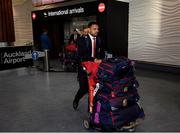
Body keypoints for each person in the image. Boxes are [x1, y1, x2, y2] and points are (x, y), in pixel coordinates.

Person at [73, 22, 105, 110]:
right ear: (89, 29)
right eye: (94, 29)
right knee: (84, 88)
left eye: (97, 29)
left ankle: (90, 110)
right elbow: (82, 54)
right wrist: (93, 59)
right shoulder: (82, 39)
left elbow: (101, 54)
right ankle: (76, 98)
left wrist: (101, 61)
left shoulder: (99, 40)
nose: (96, 31)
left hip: (95, 68)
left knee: (94, 88)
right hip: (84, 67)